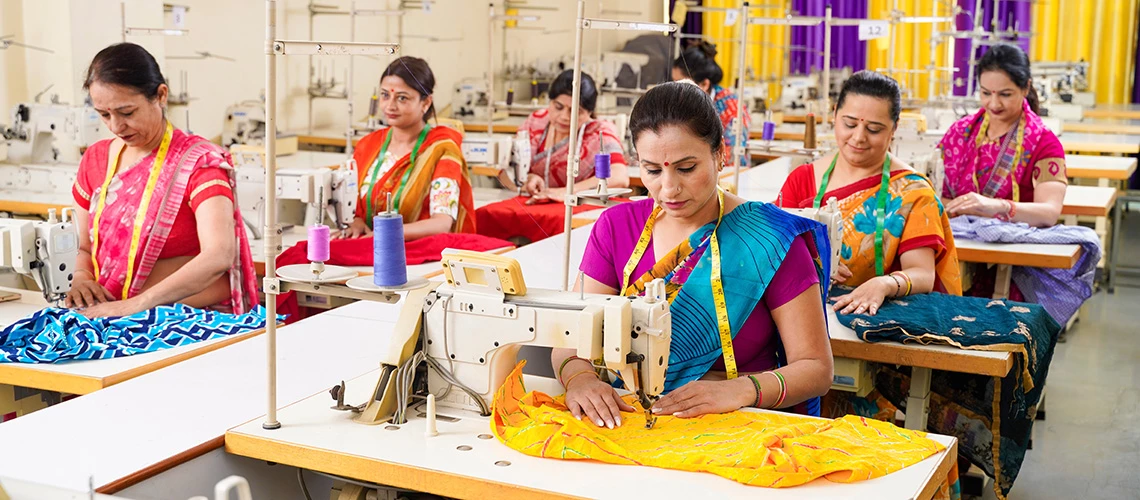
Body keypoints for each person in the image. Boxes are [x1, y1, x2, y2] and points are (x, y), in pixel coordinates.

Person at [552, 81, 833, 429]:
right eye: (652, 170)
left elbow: (816, 368)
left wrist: (741, 390)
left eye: (686, 169)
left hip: (737, 423)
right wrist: (580, 380)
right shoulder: (615, 227)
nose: (668, 188)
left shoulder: (768, 238)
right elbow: (567, 342)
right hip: (628, 419)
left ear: (720, 155)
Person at [66, 43, 258, 318]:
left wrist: (133, 306)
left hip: (188, 319)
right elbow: (83, 247)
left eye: (127, 112)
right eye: (104, 114)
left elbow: (219, 255)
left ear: (161, 95)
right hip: (109, 317)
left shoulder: (199, 163)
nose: (115, 126)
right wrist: (82, 279)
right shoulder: (96, 160)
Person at [776, 70, 962, 315]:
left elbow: (923, 274)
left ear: (894, 129)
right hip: (803, 314)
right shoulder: (801, 179)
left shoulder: (913, 191)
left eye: (874, 129)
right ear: (834, 115)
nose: (859, 137)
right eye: (849, 124)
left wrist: (884, 284)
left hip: (878, 320)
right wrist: (812, 264)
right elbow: (774, 252)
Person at [338, 56, 476, 239]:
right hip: (366, 246)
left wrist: (385, 235)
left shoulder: (442, 149)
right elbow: (350, 204)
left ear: (426, 103)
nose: (390, 106)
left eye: (402, 98)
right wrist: (354, 221)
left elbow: (442, 223)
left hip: (416, 252)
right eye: (385, 95)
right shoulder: (368, 145)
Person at [940, 43, 1066, 228]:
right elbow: (933, 193)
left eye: (1005, 94)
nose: (994, 103)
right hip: (956, 241)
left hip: (1012, 250)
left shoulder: (1044, 144)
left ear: (1026, 88)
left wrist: (998, 207)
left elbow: (1049, 213)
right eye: (985, 93)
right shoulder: (959, 133)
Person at [521, 70, 629, 203]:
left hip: (581, 207)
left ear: (589, 113)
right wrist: (530, 178)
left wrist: (566, 192)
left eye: (576, 111)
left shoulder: (600, 133)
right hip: (536, 203)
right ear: (550, 102)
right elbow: (515, 166)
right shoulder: (536, 121)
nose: (565, 117)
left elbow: (619, 178)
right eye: (558, 107)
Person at [672, 41, 751, 166]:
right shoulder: (681, 103)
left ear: (704, 84)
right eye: (674, 82)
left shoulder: (731, 108)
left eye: (680, 83)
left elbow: (732, 159)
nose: (675, 88)